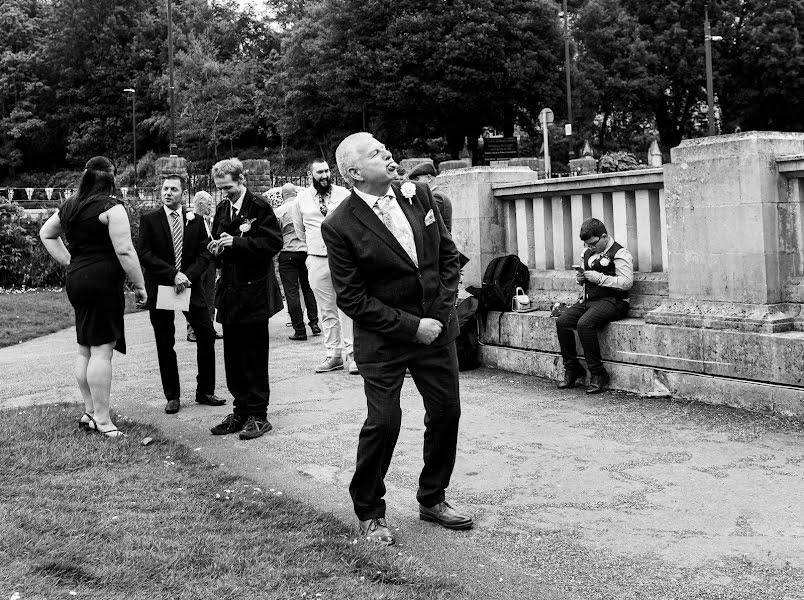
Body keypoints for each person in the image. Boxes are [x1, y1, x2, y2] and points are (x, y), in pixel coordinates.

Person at [322, 132, 473, 546]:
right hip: (384, 338)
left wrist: (438, 316)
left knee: (446, 414)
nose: (387, 153)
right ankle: (370, 511)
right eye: (375, 153)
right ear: (354, 173)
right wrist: (411, 327)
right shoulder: (338, 225)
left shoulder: (419, 194)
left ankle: (433, 497)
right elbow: (352, 298)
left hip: (436, 329)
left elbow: (447, 257)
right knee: (384, 421)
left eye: (384, 147)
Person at [39, 156, 147, 437]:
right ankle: (103, 419)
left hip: (77, 279)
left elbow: (46, 233)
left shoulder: (72, 205)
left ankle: (90, 412)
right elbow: (125, 250)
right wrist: (140, 285)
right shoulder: (112, 207)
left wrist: (70, 262)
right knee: (102, 349)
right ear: (112, 179)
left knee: (85, 347)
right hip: (102, 281)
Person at [207, 158, 283, 440]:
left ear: (242, 181)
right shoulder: (222, 208)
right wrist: (215, 248)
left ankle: (258, 415)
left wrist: (237, 242)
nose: (225, 193)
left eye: (228, 188)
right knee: (233, 357)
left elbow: (274, 243)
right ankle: (239, 411)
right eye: (220, 189)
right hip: (230, 292)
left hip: (254, 292)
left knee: (254, 355)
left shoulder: (259, 206)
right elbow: (217, 239)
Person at [138, 176, 225, 415]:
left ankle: (205, 391)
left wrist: (186, 276)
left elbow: (205, 254)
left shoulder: (196, 221)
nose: (168, 193)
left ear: (183, 194)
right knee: (165, 341)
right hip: (163, 287)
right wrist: (173, 275)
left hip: (189, 286)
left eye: (173, 189)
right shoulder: (150, 220)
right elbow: (144, 254)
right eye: (165, 188)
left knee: (206, 334)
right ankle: (172, 396)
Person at [555, 218, 633, 394]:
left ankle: (598, 374)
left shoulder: (620, 253)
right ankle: (572, 369)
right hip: (589, 300)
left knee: (584, 324)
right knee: (563, 322)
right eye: (586, 244)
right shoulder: (587, 253)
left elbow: (627, 283)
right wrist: (580, 279)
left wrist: (598, 278)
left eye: (592, 244)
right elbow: (585, 279)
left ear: (604, 236)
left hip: (614, 301)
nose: (589, 247)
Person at [292, 158, 356, 373]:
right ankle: (334, 354)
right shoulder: (301, 199)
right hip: (317, 258)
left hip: (344, 259)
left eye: (327, 171)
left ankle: (352, 354)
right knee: (327, 310)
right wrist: (315, 248)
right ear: (311, 174)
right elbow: (299, 231)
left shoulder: (344, 194)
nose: (324, 175)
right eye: (319, 172)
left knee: (347, 306)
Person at [274, 183, 320, 341]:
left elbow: (275, 234)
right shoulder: (303, 207)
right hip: (306, 251)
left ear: (282, 195)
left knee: (291, 292)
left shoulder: (279, 211)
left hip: (288, 252)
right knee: (309, 288)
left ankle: (299, 329)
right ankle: (314, 323)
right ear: (295, 193)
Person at [186, 191, 222, 342]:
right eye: (209, 204)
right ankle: (192, 330)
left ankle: (209, 328)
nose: (211, 207)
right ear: (200, 204)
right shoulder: (189, 220)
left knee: (209, 296)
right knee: (195, 297)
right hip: (196, 264)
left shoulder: (210, 221)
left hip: (211, 263)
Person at [407, 162, 453, 233]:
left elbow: (423, 222)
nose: (413, 183)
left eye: (416, 179)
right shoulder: (436, 194)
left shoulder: (436, 196)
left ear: (428, 178)